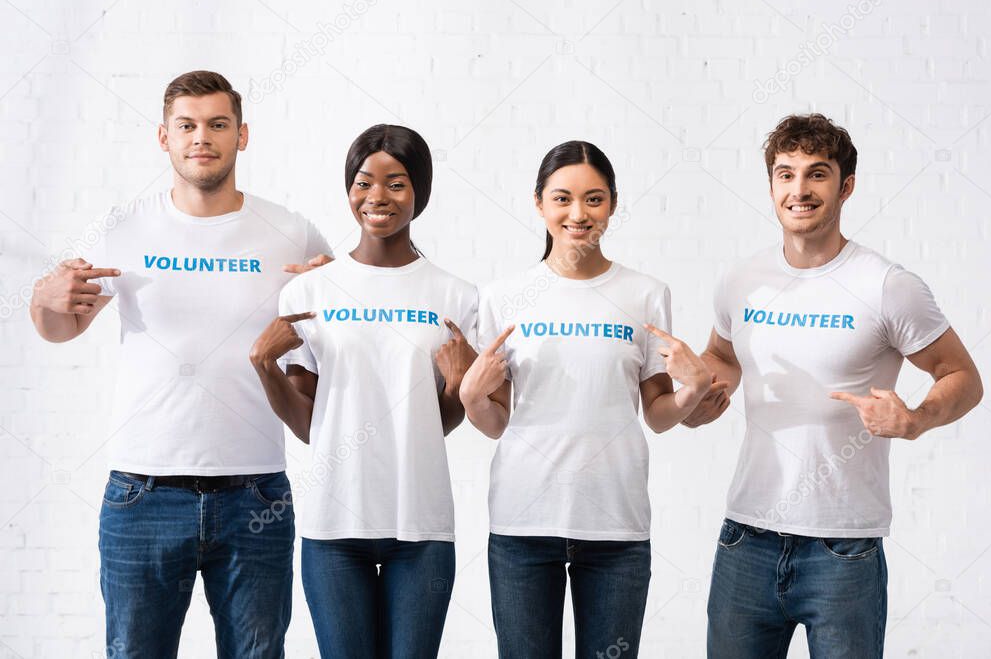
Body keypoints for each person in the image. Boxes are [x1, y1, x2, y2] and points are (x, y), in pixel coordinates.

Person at [29, 70, 331, 659]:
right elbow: (62, 327)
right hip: (142, 494)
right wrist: (44, 302)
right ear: (163, 138)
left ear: (242, 136)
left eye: (218, 125)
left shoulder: (290, 233)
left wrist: (335, 300)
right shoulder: (123, 227)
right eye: (187, 126)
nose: (202, 138)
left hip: (256, 495)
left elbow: (327, 345)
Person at [686, 113, 984, 658]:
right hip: (745, 538)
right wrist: (704, 388)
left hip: (843, 549)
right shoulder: (741, 280)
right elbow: (722, 356)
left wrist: (916, 419)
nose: (799, 189)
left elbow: (961, 375)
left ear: (845, 186)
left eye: (816, 174)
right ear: (771, 184)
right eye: (785, 173)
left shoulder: (887, 285)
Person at [459, 140, 718, 658]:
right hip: (523, 524)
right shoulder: (502, 297)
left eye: (594, 199)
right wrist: (470, 396)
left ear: (613, 205)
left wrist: (695, 387)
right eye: (562, 199)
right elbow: (496, 422)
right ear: (539, 203)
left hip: (616, 528)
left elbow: (660, 416)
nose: (578, 214)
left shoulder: (645, 294)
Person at [249, 124, 477, 658]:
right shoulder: (308, 292)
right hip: (334, 526)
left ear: (419, 190)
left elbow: (439, 421)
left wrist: (461, 384)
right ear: (348, 189)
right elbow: (310, 425)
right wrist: (264, 365)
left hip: (420, 523)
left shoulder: (457, 296)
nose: (377, 197)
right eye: (363, 182)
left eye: (395, 183)